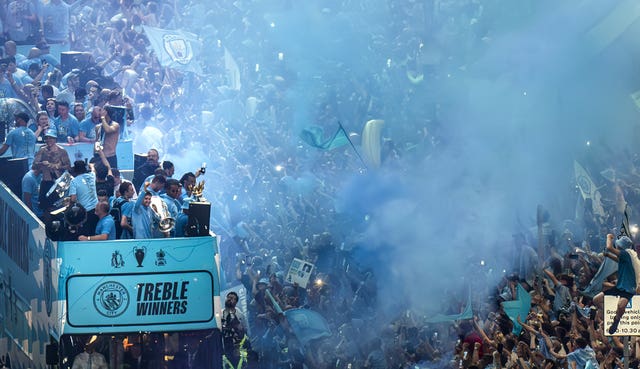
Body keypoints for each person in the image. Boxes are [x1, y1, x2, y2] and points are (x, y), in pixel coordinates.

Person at [593, 234, 639, 334]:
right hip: (619, 286)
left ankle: (616, 320)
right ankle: (609, 313)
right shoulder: (627, 256)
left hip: (628, 288)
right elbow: (619, 261)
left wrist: (609, 237)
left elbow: (609, 247)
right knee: (596, 299)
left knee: (621, 305)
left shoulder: (625, 254)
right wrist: (609, 256)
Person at [33, 130, 71, 215]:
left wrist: (55, 166)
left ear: (55, 139)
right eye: (47, 138)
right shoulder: (42, 150)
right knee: (45, 207)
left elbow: (68, 166)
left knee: (58, 206)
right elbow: (34, 165)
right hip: (46, 181)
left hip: (58, 183)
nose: (48, 140)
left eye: (51, 138)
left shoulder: (62, 151)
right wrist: (42, 164)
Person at [69, 160, 98, 234]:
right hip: (97, 210)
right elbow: (93, 170)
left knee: (86, 233)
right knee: (94, 231)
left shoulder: (74, 181)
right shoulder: (92, 176)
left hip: (85, 212)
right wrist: (91, 166)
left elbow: (73, 199)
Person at [222, 291, 249, 368]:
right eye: (228, 297)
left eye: (232, 298)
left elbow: (245, 328)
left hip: (239, 345)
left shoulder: (239, 313)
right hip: (227, 345)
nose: (229, 299)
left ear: (236, 302)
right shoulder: (220, 313)